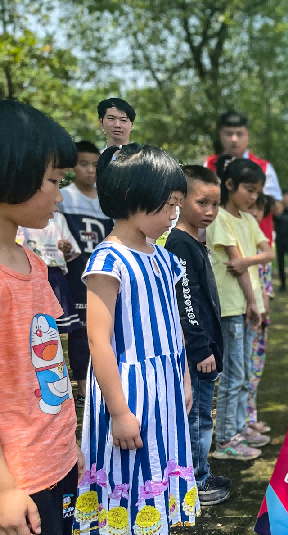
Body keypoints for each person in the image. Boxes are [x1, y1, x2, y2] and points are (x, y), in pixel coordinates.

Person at [74, 144, 197, 532]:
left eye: (178, 204)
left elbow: (173, 320)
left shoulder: (162, 256)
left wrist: (186, 378)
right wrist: (119, 412)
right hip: (128, 392)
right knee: (127, 475)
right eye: (168, 205)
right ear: (132, 198)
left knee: (159, 466)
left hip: (165, 386)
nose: (175, 215)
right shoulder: (108, 261)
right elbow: (98, 342)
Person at [0, 98, 84, 535]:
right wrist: (3, 489)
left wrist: (68, 444)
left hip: (57, 460)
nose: (59, 193)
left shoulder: (34, 263)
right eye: (53, 180)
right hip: (18, 482)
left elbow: (48, 362)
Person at [165, 165, 231, 507]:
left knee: (202, 415)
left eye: (215, 204)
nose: (209, 211)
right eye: (201, 202)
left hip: (204, 350)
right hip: (197, 354)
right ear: (180, 200)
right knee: (198, 418)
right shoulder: (180, 243)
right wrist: (201, 347)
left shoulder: (190, 242)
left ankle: (199, 470)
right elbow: (185, 300)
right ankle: (197, 481)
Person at [207, 156, 274, 460]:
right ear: (230, 185)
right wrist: (251, 302)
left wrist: (247, 261)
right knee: (234, 375)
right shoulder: (220, 218)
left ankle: (240, 426)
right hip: (234, 307)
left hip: (249, 305)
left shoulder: (249, 220)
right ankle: (225, 440)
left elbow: (265, 254)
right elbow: (234, 259)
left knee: (245, 372)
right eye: (249, 189)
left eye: (257, 192)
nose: (253, 197)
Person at [59, 140, 114, 405]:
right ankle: (82, 387)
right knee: (79, 330)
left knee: (105, 328)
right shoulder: (64, 198)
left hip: (103, 273)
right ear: (72, 166)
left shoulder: (107, 201)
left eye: (95, 165)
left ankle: (104, 382)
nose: (90, 170)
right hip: (74, 272)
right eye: (83, 164)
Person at [17, 212, 83, 333]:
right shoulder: (21, 215)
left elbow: (71, 251)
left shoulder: (58, 218)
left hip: (55, 276)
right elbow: (16, 245)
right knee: (31, 328)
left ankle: (59, 352)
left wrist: (67, 248)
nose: (59, 199)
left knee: (60, 328)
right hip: (30, 276)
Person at [244, 193, 275, 435]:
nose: (254, 213)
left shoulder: (263, 246)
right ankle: (239, 424)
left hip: (260, 319)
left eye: (259, 209)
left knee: (255, 371)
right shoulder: (239, 246)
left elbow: (267, 286)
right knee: (240, 373)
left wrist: (265, 313)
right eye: (251, 207)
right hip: (241, 315)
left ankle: (249, 418)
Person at [204, 111, 283, 201]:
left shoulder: (264, 167)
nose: (234, 139)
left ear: (248, 135)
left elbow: (278, 207)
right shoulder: (210, 164)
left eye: (239, 134)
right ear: (220, 135)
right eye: (229, 134)